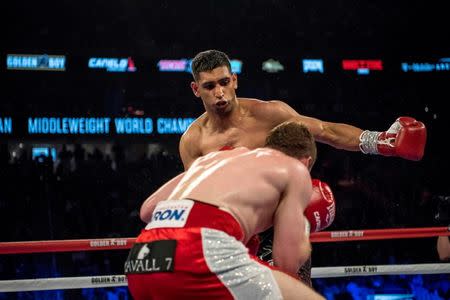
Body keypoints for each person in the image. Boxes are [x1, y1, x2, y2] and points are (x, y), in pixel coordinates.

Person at [179, 49, 427, 284]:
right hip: (232, 232)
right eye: (209, 86)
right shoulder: (193, 141)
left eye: (224, 82)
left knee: (291, 291)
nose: (220, 92)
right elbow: (197, 200)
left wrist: (381, 141)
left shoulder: (268, 114)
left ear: (234, 80)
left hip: (278, 225)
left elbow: (325, 130)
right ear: (195, 89)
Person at [125, 121, 325, 299]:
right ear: (306, 162)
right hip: (198, 251)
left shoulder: (217, 158)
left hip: (142, 257)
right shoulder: (295, 170)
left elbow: (147, 210)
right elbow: (286, 265)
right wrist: (305, 225)